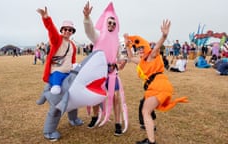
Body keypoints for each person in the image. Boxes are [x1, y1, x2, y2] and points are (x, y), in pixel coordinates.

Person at [124, 20, 188, 144]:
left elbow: (158, 45)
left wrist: (164, 36)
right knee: (145, 109)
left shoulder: (152, 55)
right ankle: (150, 138)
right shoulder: (142, 61)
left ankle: (151, 141)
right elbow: (131, 58)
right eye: (139, 49)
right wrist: (127, 45)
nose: (141, 50)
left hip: (159, 85)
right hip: (155, 86)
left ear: (147, 47)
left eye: (142, 48)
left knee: (145, 111)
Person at [36, 6, 83, 141]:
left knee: (73, 95)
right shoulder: (57, 40)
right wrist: (46, 17)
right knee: (57, 101)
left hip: (68, 74)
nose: (67, 31)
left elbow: (72, 59)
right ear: (62, 30)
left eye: (70, 30)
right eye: (65, 29)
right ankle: (49, 131)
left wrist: (75, 66)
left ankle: (73, 119)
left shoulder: (73, 45)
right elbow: (51, 30)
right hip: (56, 75)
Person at [83, 1, 128, 136]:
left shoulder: (117, 40)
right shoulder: (98, 35)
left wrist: (123, 61)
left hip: (112, 72)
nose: (111, 25)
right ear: (105, 23)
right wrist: (86, 18)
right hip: (98, 71)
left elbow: (120, 56)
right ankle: (95, 116)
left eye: (114, 23)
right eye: (109, 22)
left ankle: (118, 123)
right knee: (96, 94)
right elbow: (89, 30)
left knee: (115, 97)